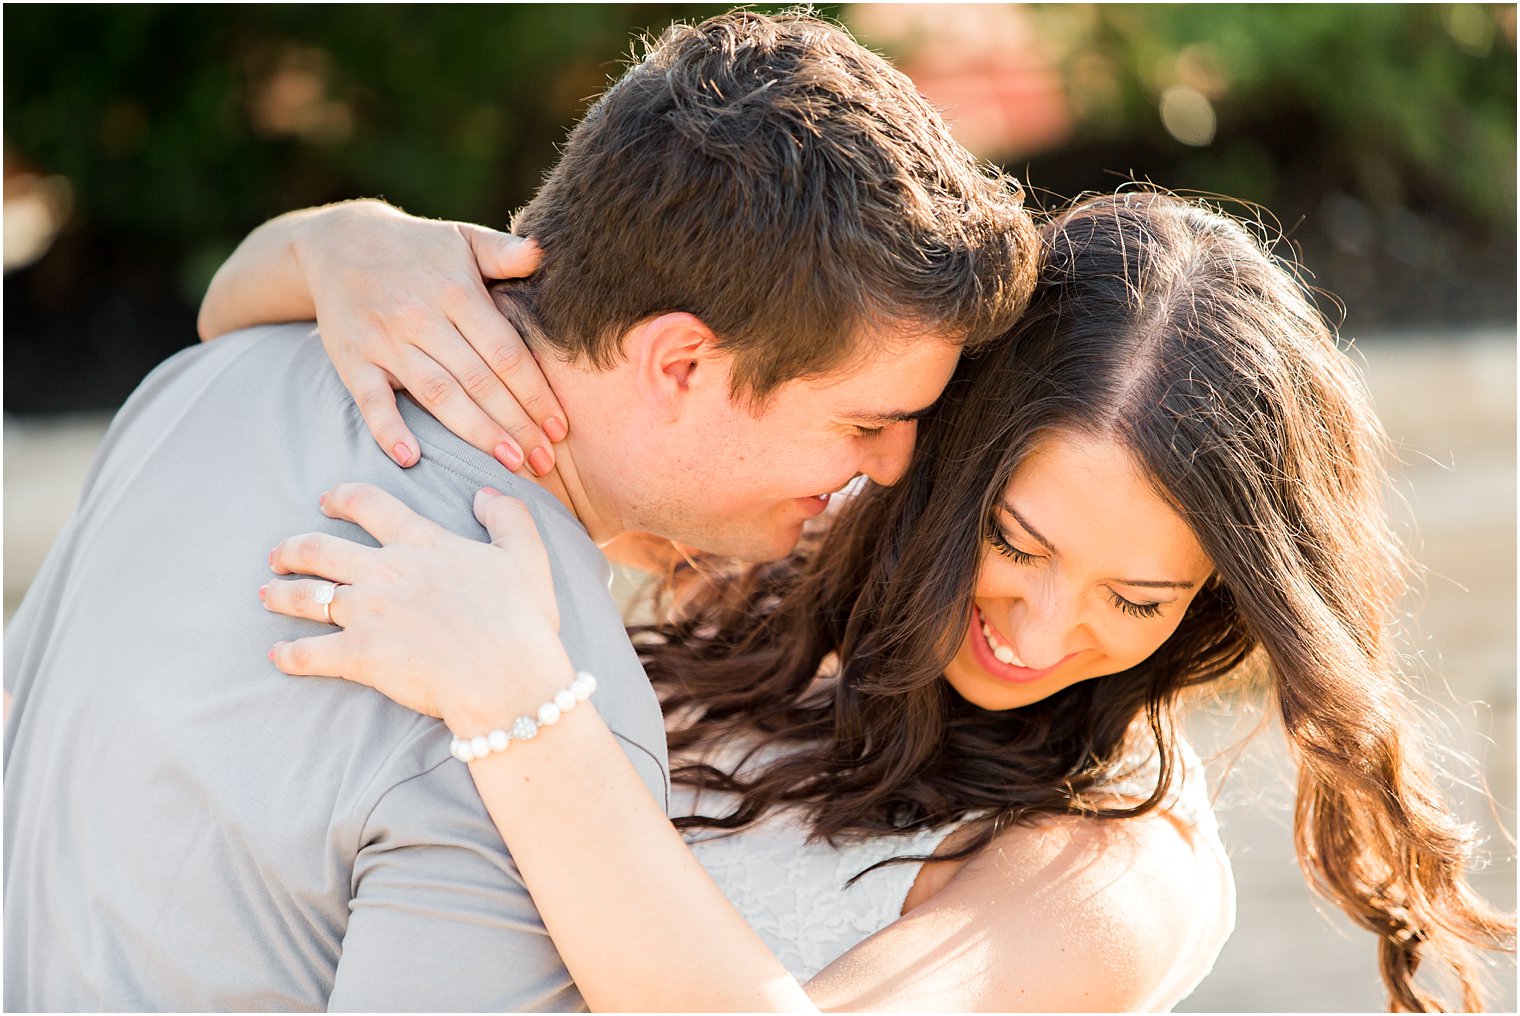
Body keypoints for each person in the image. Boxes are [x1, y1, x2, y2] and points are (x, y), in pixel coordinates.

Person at [1, 12, 1038, 1011]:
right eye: (865, 421)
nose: (895, 465)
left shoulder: (217, 374)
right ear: (679, 361)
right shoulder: (536, 705)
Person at [254, 192, 1514, 1012]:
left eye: (1135, 598)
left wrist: (524, 705)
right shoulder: (768, 560)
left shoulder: (1107, 865)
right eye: (1013, 542)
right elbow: (232, 316)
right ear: (940, 457)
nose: (1034, 629)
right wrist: (335, 245)